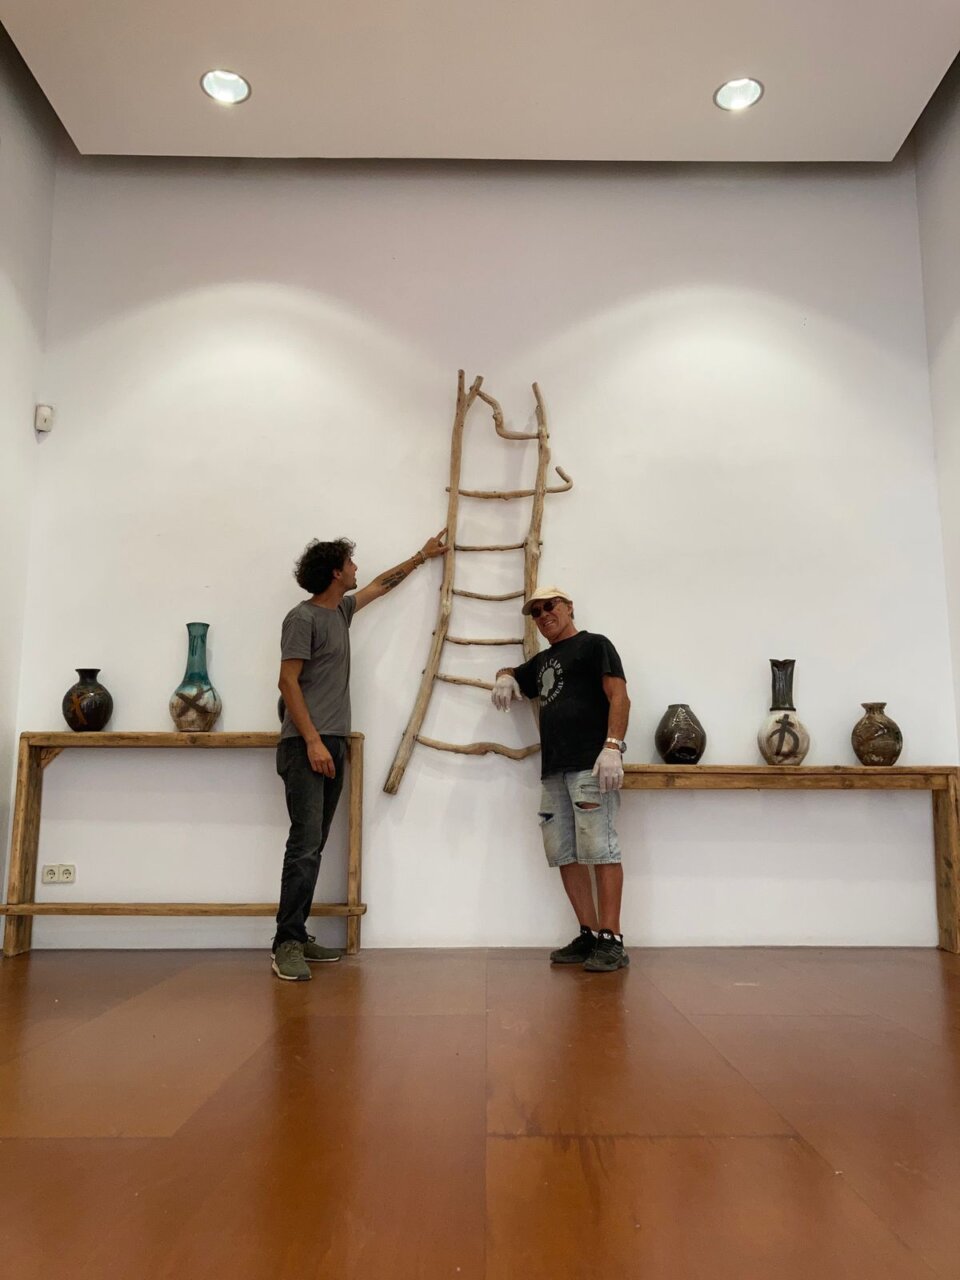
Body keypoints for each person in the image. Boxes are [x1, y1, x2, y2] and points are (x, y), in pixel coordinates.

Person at [272, 531, 448, 981]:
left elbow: (380, 586)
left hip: (332, 742)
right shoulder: (302, 618)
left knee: (314, 845)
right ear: (335, 572)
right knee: (304, 845)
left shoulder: (341, 612)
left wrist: (421, 556)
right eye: (350, 563)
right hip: (305, 745)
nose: (356, 569)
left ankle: (298, 934)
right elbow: (287, 682)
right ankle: (285, 943)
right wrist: (312, 741)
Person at [491, 586, 630, 971]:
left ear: (569, 607)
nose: (543, 615)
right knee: (564, 852)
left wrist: (613, 746)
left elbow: (619, 696)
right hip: (553, 769)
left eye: (549, 606)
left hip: (591, 765)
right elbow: (512, 672)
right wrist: (505, 678)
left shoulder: (595, 645)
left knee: (601, 848)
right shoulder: (541, 662)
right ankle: (589, 934)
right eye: (535, 612)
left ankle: (612, 939)